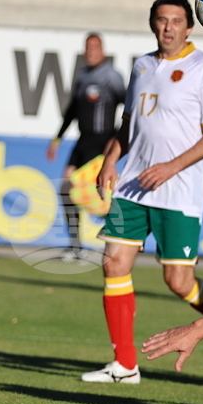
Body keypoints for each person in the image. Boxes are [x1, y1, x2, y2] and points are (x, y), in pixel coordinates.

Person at [82, 0, 203, 385]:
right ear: (152, 23)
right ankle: (124, 365)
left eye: (176, 20)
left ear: (189, 27)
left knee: (178, 281)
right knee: (113, 263)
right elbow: (128, 124)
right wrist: (111, 160)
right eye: (161, 19)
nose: (168, 27)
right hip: (132, 186)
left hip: (179, 190)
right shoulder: (142, 66)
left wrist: (171, 167)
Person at [45, 33, 125, 261]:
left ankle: (116, 241)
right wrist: (57, 138)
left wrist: (116, 139)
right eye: (87, 48)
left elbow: (128, 108)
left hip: (103, 142)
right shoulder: (82, 77)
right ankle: (75, 246)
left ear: (102, 50)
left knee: (100, 196)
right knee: (66, 189)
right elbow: (72, 110)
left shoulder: (112, 77)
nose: (90, 52)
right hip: (82, 141)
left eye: (94, 48)